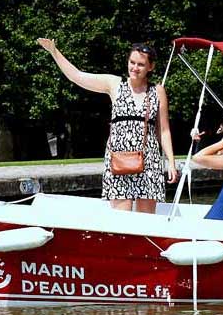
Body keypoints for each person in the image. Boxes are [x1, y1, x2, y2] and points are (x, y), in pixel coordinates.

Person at [37, 38, 177, 213]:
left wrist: (171, 163)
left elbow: (164, 130)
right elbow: (77, 76)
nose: (134, 68)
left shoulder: (157, 91)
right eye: (132, 62)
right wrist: (54, 52)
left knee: (147, 220)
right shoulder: (114, 84)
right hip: (118, 159)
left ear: (151, 67)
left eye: (140, 64)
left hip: (149, 160)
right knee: (120, 219)